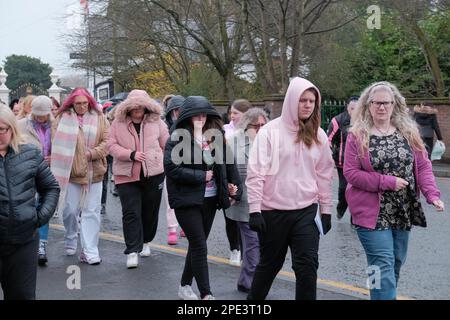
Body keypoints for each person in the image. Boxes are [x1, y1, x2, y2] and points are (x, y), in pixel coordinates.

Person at [344, 81, 444, 300]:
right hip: (370, 213)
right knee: (382, 263)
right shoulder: (357, 135)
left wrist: (432, 195)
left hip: (402, 209)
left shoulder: (408, 132)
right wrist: (386, 182)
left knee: (393, 264)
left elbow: (423, 166)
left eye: (386, 103)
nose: (382, 107)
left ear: (394, 105)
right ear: (368, 105)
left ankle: (376, 294)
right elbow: (351, 173)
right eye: (377, 103)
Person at [246, 77, 334, 300]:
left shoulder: (319, 135)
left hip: (305, 211)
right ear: (291, 101)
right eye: (302, 100)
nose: (307, 105)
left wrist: (326, 210)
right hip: (272, 212)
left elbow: (324, 174)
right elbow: (256, 172)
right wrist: (255, 210)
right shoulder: (269, 132)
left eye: (312, 101)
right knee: (269, 265)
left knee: (307, 267)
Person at [164, 96, 242, 300]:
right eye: (196, 114)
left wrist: (234, 188)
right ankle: (206, 293)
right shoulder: (177, 137)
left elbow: (229, 164)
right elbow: (171, 168)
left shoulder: (215, 135)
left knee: (197, 245)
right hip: (185, 200)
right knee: (199, 244)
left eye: (203, 114)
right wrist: (201, 176)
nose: (200, 117)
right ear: (187, 116)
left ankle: (184, 286)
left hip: (209, 199)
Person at [0, 104, 60, 300]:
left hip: (23, 242)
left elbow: (51, 187)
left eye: (1, 129)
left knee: (23, 296)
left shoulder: (30, 154)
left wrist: (39, 218)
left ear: (12, 128)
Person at [107, 90, 169, 268]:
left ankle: (146, 241)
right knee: (131, 213)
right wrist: (130, 154)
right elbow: (110, 145)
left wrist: (160, 161)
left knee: (150, 212)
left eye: (141, 106)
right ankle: (132, 250)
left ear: (147, 106)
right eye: (134, 106)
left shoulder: (157, 122)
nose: (137, 110)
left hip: (154, 174)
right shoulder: (117, 123)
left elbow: (168, 144)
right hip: (125, 175)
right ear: (128, 107)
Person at [51, 87, 109, 265]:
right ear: (71, 103)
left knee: (91, 211)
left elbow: (108, 141)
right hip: (71, 172)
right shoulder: (61, 118)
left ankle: (90, 250)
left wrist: (92, 153)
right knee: (69, 210)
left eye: (85, 103)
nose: (82, 107)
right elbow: (55, 142)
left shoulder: (100, 117)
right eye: (78, 104)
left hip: (95, 172)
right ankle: (70, 237)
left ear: (90, 102)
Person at [226, 107, 269, 293]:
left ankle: (245, 280)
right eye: (256, 125)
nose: (260, 129)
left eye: (263, 125)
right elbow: (226, 170)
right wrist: (229, 189)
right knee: (253, 244)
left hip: (267, 202)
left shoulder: (272, 141)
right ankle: (251, 282)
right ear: (246, 126)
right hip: (243, 201)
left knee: (261, 244)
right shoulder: (233, 141)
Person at [18, 96, 55, 266]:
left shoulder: (57, 126)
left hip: (49, 172)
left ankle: (41, 245)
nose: (41, 118)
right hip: (28, 172)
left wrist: (53, 158)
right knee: (28, 208)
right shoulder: (20, 126)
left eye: (44, 115)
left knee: (44, 208)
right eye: (38, 114)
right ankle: (26, 245)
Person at [223, 99, 252, 266]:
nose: (231, 116)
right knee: (231, 219)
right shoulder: (225, 131)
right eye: (231, 112)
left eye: (235, 113)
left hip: (248, 181)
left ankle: (246, 252)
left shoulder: (253, 131)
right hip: (231, 181)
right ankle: (234, 249)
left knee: (247, 220)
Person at [327, 96, 359, 220]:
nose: (354, 112)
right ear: (347, 108)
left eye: (357, 109)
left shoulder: (365, 121)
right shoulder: (337, 120)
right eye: (352, 108)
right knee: (344, 187)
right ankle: (341, 208)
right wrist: (329, 153)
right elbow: (328, 140)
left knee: (357, 189)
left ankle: (355, 217)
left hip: (360, 163)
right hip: (342, 161)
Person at [163, 94, 185, 245]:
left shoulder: (192, 124)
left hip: (188, 166)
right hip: (170, 167)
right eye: (175, 110)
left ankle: (185, 225)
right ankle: (172, 229)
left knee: (187, 197)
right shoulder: (164, 126)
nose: (178, 112)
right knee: (170, 198)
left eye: (180, 109)